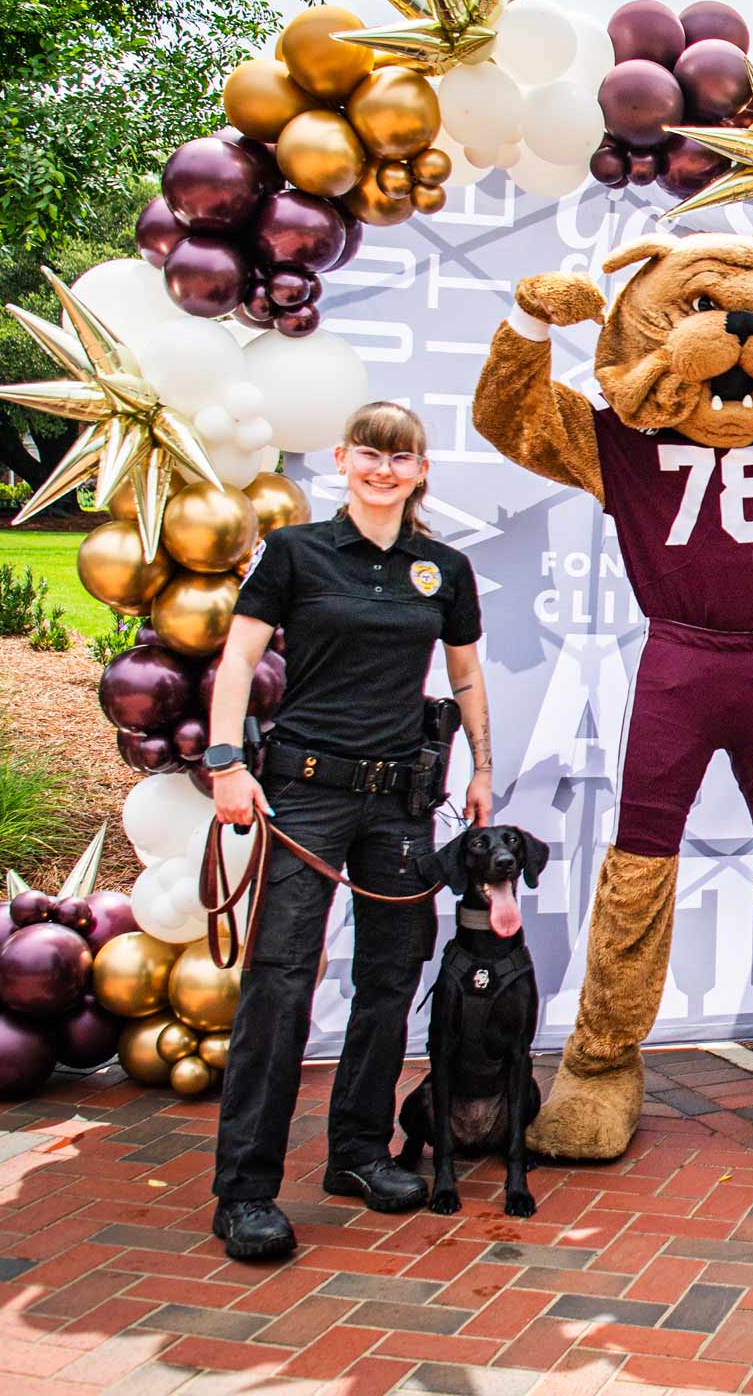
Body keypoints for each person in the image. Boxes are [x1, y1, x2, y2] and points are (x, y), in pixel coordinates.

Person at [204, 401, 493, 1262]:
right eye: (371, 454)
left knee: (389, 979)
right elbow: (239, 658)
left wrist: (482, 769)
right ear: (341, 459)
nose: (383, 470)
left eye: (401, 458)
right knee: (281, 983)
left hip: (402, 803)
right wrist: (226, 762)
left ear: (420, 471)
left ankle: (359, 1153)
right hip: (305, 795)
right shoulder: (295, 552)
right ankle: (244, 1192)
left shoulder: (443, 570)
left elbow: (466, 678)